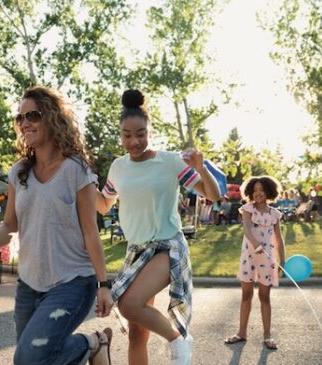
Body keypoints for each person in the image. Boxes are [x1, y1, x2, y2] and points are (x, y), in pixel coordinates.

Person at [0, 86, 114, 365]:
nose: (24, 123)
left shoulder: (75, 169)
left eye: (32, 115)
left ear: (52, 117)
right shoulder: (19, 171)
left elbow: (90, 231)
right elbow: (9, 225)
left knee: (29, 359)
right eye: (20, 118)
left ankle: (93, 343)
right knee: (38, 361)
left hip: (72, 282)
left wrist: (104, 284)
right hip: (29, 284)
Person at [95, 89, 221, 365]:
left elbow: (212, 195)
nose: (134, 141)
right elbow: (103, 204)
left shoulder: (171, 162)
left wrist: (202, 168)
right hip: (136, 251)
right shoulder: (118, 167)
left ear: (150, 130)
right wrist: (81, 180)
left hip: (167, 246)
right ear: (120, 135)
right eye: (127, 135)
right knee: (137, 334)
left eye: (140, 133)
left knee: (129, 304)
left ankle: (179, 339)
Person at [224, 175, 285, 351]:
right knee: (246, 295)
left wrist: (283, 260)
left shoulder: (275, 214)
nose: (258, 193)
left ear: (269, 191)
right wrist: (255, 244)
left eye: (262, 190)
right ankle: (241, 333)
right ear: (250, 192)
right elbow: (247, 230)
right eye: (255, 190)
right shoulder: (247, 210)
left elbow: (279, 239)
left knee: (265, 297)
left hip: (268, 259)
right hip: (249, 256)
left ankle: (267, 335)